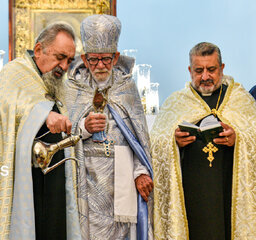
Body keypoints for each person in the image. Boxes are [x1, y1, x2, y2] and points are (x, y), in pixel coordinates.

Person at [0, 23, 81, 240]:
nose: (64, 66)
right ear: (39, 50)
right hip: (25, 181)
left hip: (56, 179)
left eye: (69, 60)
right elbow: (9, 103)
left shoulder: (59, 85)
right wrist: (43, 114)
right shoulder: (14, 72)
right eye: (60, 57)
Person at [150, 42, 256, 240]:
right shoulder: (176, 102)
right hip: (191, 197)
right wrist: (173, 142)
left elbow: (254, 135)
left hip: (228, 194)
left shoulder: (241, 100)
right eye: (199, 71)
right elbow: (155, 142)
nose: (205, 76)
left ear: (222, 68)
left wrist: (238, 139)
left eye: (211, 69)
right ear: (190, 71)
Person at [65, 15, 154, 240]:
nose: (100, 65)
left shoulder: (127, 87)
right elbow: (63, 133)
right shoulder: (72, 87)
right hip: (84, 176)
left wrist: (140, 171)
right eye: (94, 59)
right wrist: (84, 127)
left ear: (116, 57)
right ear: (84, 59)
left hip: (120, 176)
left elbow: (138, 137)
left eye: (106, 59)